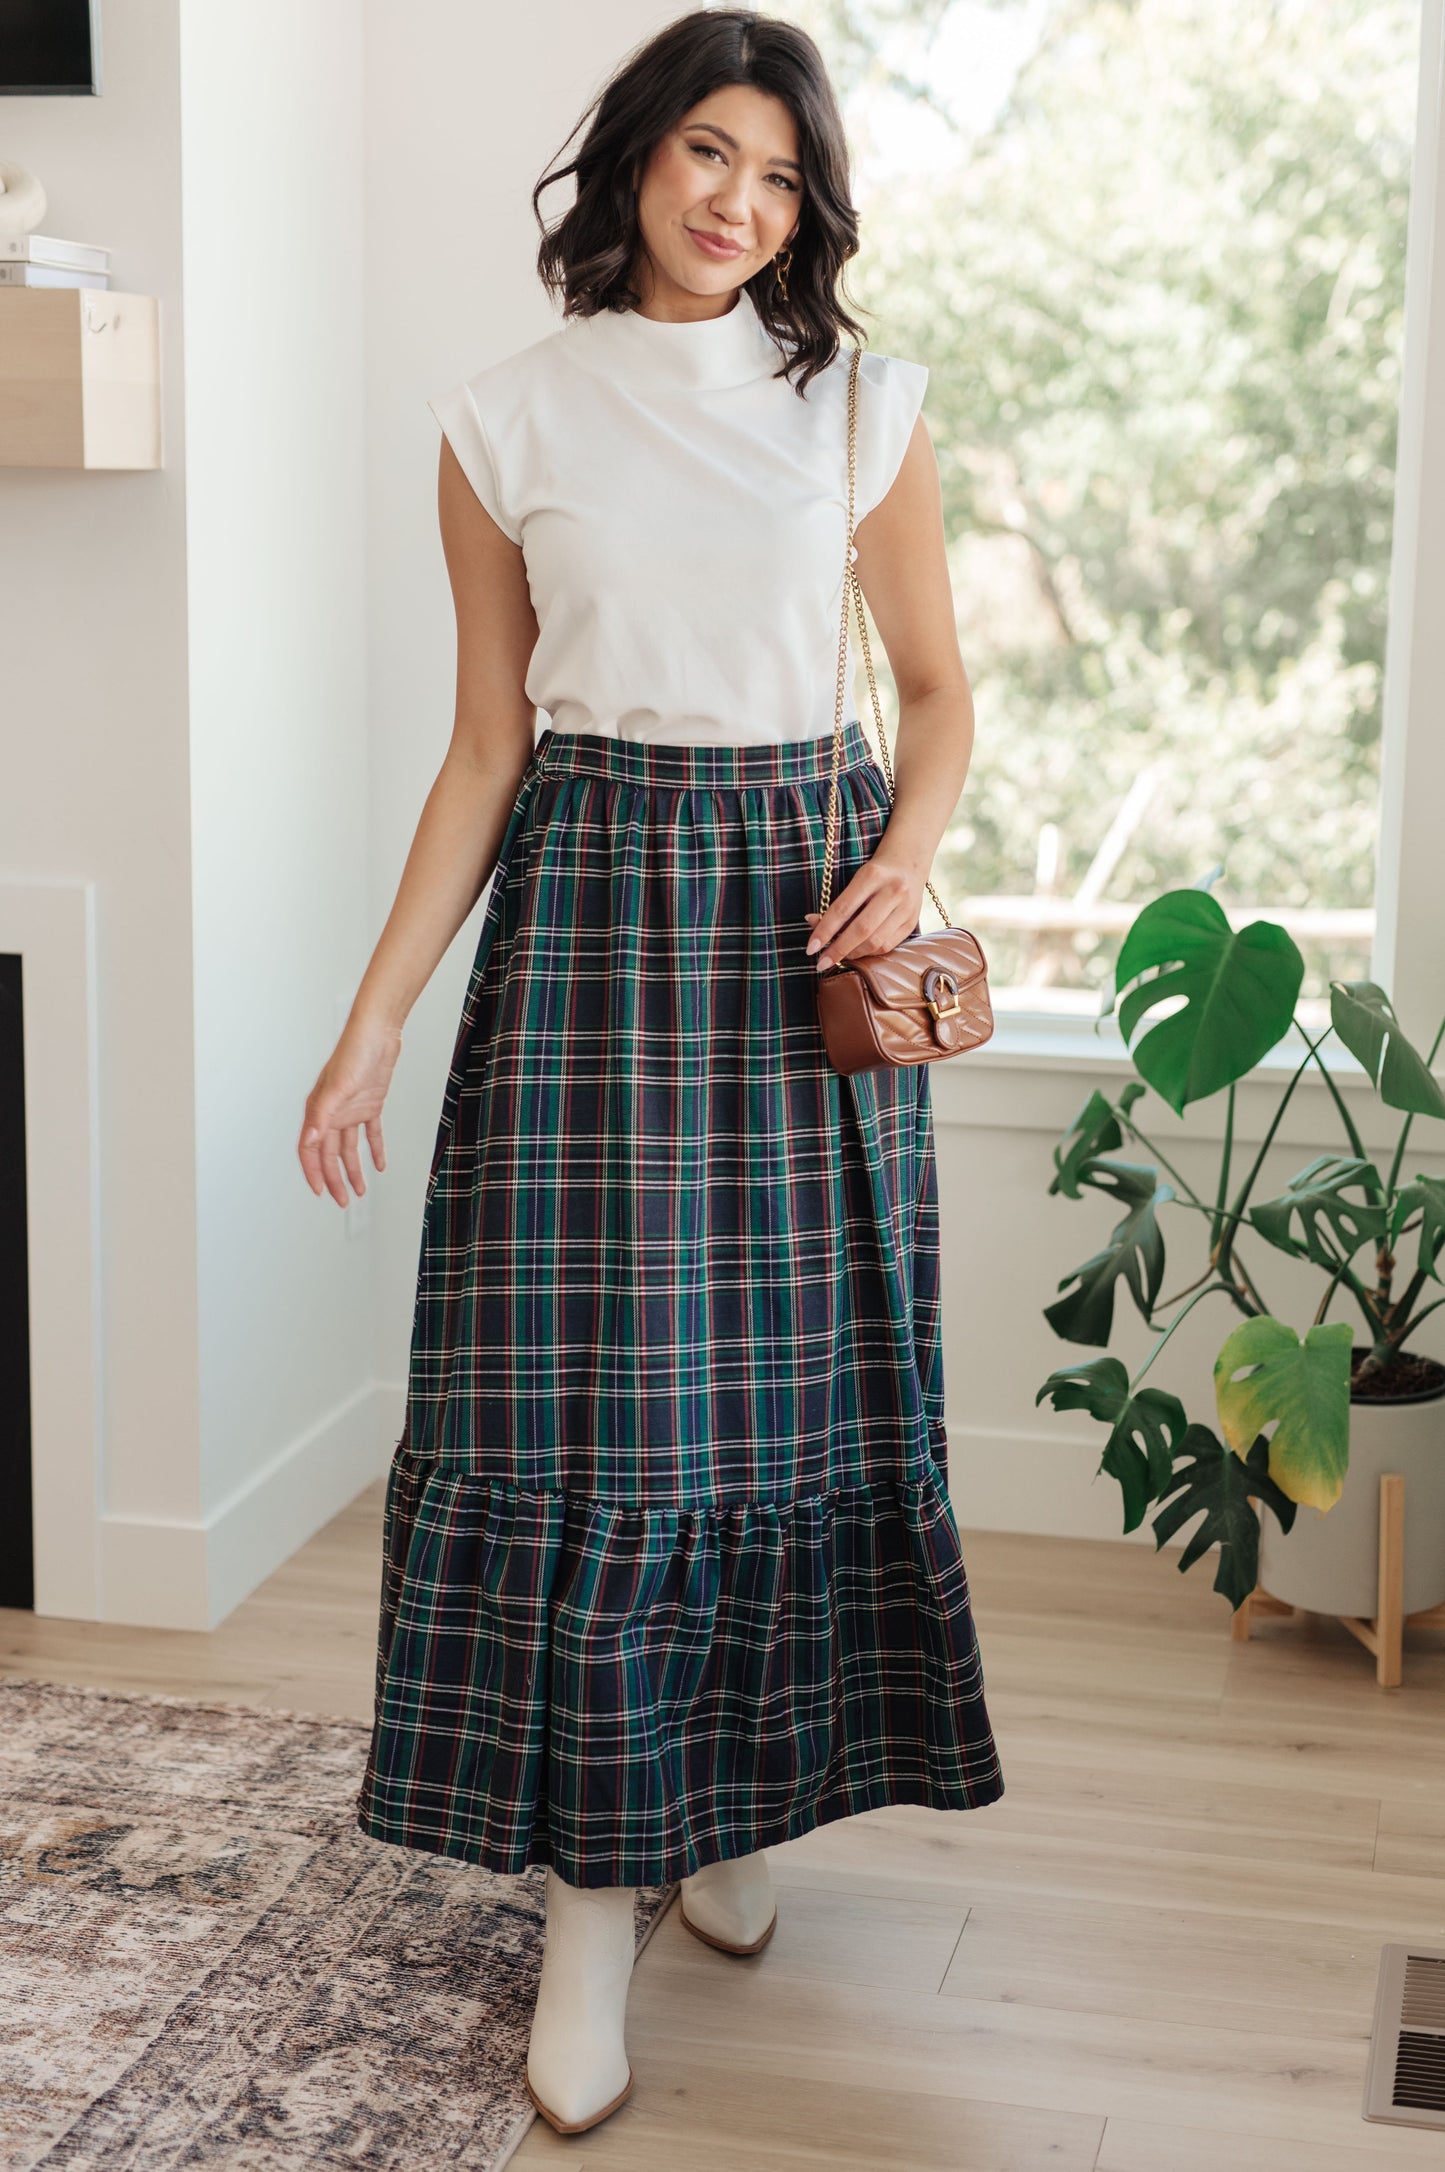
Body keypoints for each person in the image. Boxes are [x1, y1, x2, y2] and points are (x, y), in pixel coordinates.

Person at [297, 5, 1004, 2139]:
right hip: (594, 936)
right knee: (595, 1423)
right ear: (631, 162)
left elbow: (941, 690)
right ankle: (595, 1910)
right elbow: (489, 750)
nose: (738, 204)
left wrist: (898, 866)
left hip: (797, 937)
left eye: (780, 179)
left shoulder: (859, 406)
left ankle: (733, 1816)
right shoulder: (501, 420)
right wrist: (374, 1013)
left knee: (785, 1406)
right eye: (709, 154)